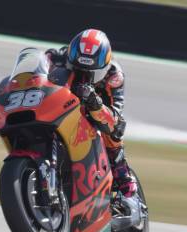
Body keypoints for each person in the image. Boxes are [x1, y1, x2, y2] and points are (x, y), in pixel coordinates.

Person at [46, 29, 137, 197]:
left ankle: (120, 167)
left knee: (116, 127)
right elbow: (36, 76)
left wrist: (94, 102)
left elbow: (115, 118)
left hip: (96, 106)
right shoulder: (55, 57)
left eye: (89, 73)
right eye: (77, 69)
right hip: (63, 101)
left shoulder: (114, 76)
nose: (83, 76)